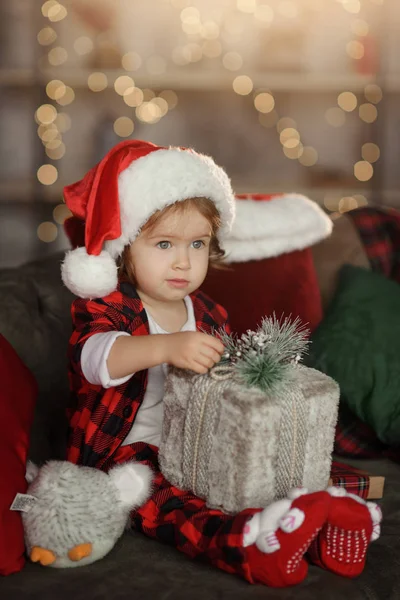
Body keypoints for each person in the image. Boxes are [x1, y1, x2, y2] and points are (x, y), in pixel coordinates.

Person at [61, 139, 381, 587]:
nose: (184, 261)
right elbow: (95, 359)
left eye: (197, 243)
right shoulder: (110, 306)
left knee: (281, 469)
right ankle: (248, 545)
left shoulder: (209, 314)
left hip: (197, 442)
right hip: (127, 456)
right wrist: (167, 347)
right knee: (173, 505)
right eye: (164, 243)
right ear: (127, 247)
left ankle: (322, 524)